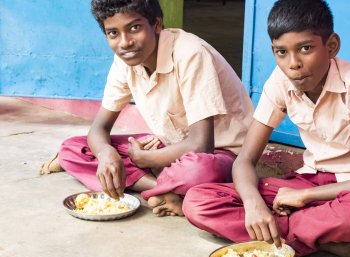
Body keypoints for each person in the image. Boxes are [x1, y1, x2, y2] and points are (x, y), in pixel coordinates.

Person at [183, 0, 350, 257]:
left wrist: (306, 195)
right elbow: (245, 161)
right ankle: (335, 245)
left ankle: (294, 236)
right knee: (198, 200)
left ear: (332, 45)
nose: (293, 64)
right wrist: (253, 205)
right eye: (281, 52)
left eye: (306, 48)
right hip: (305, 181)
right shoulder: (280, 82)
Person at [41, 0, 254, 217]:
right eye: (113, 33)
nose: (125, 42)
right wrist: (106, 154)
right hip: (171, 147)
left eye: (134, 28)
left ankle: (150, 183)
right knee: (73, 148)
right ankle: (163, 191)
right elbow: (99, 128)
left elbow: (202, 145)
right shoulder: (124, 61)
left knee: (200, 170)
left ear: (157, 24)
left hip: (221, 154)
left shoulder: (190, 53)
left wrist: (145, 159)